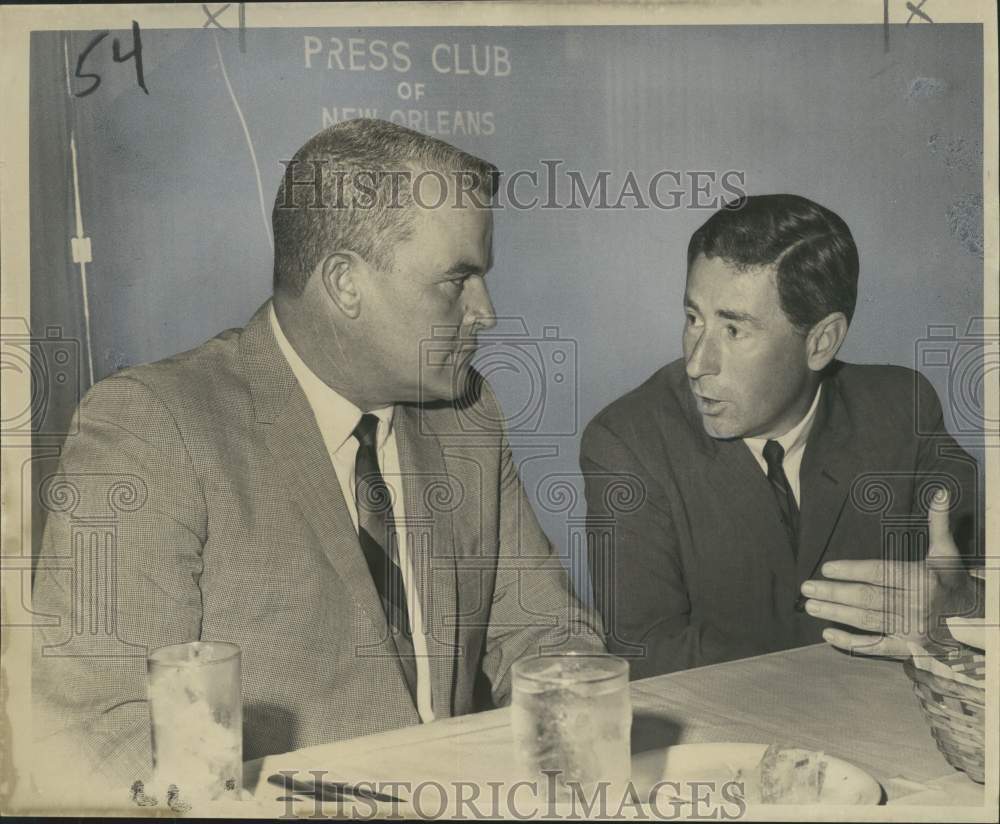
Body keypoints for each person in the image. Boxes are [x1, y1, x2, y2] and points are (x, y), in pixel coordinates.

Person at [32, 119, 604, 786]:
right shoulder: (154, 428)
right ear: (345, 285)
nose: (486, 311)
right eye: (457, 280)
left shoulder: (466, 417)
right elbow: (97, 727)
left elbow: (547, 638)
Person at [580, 194, 980, 680]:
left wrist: (965, 600)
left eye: (733, 330)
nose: (697, 363)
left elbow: (972, 577)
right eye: (693, 319)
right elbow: (646, 655)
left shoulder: (901, 409)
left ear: (821, 342)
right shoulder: (628, 441)